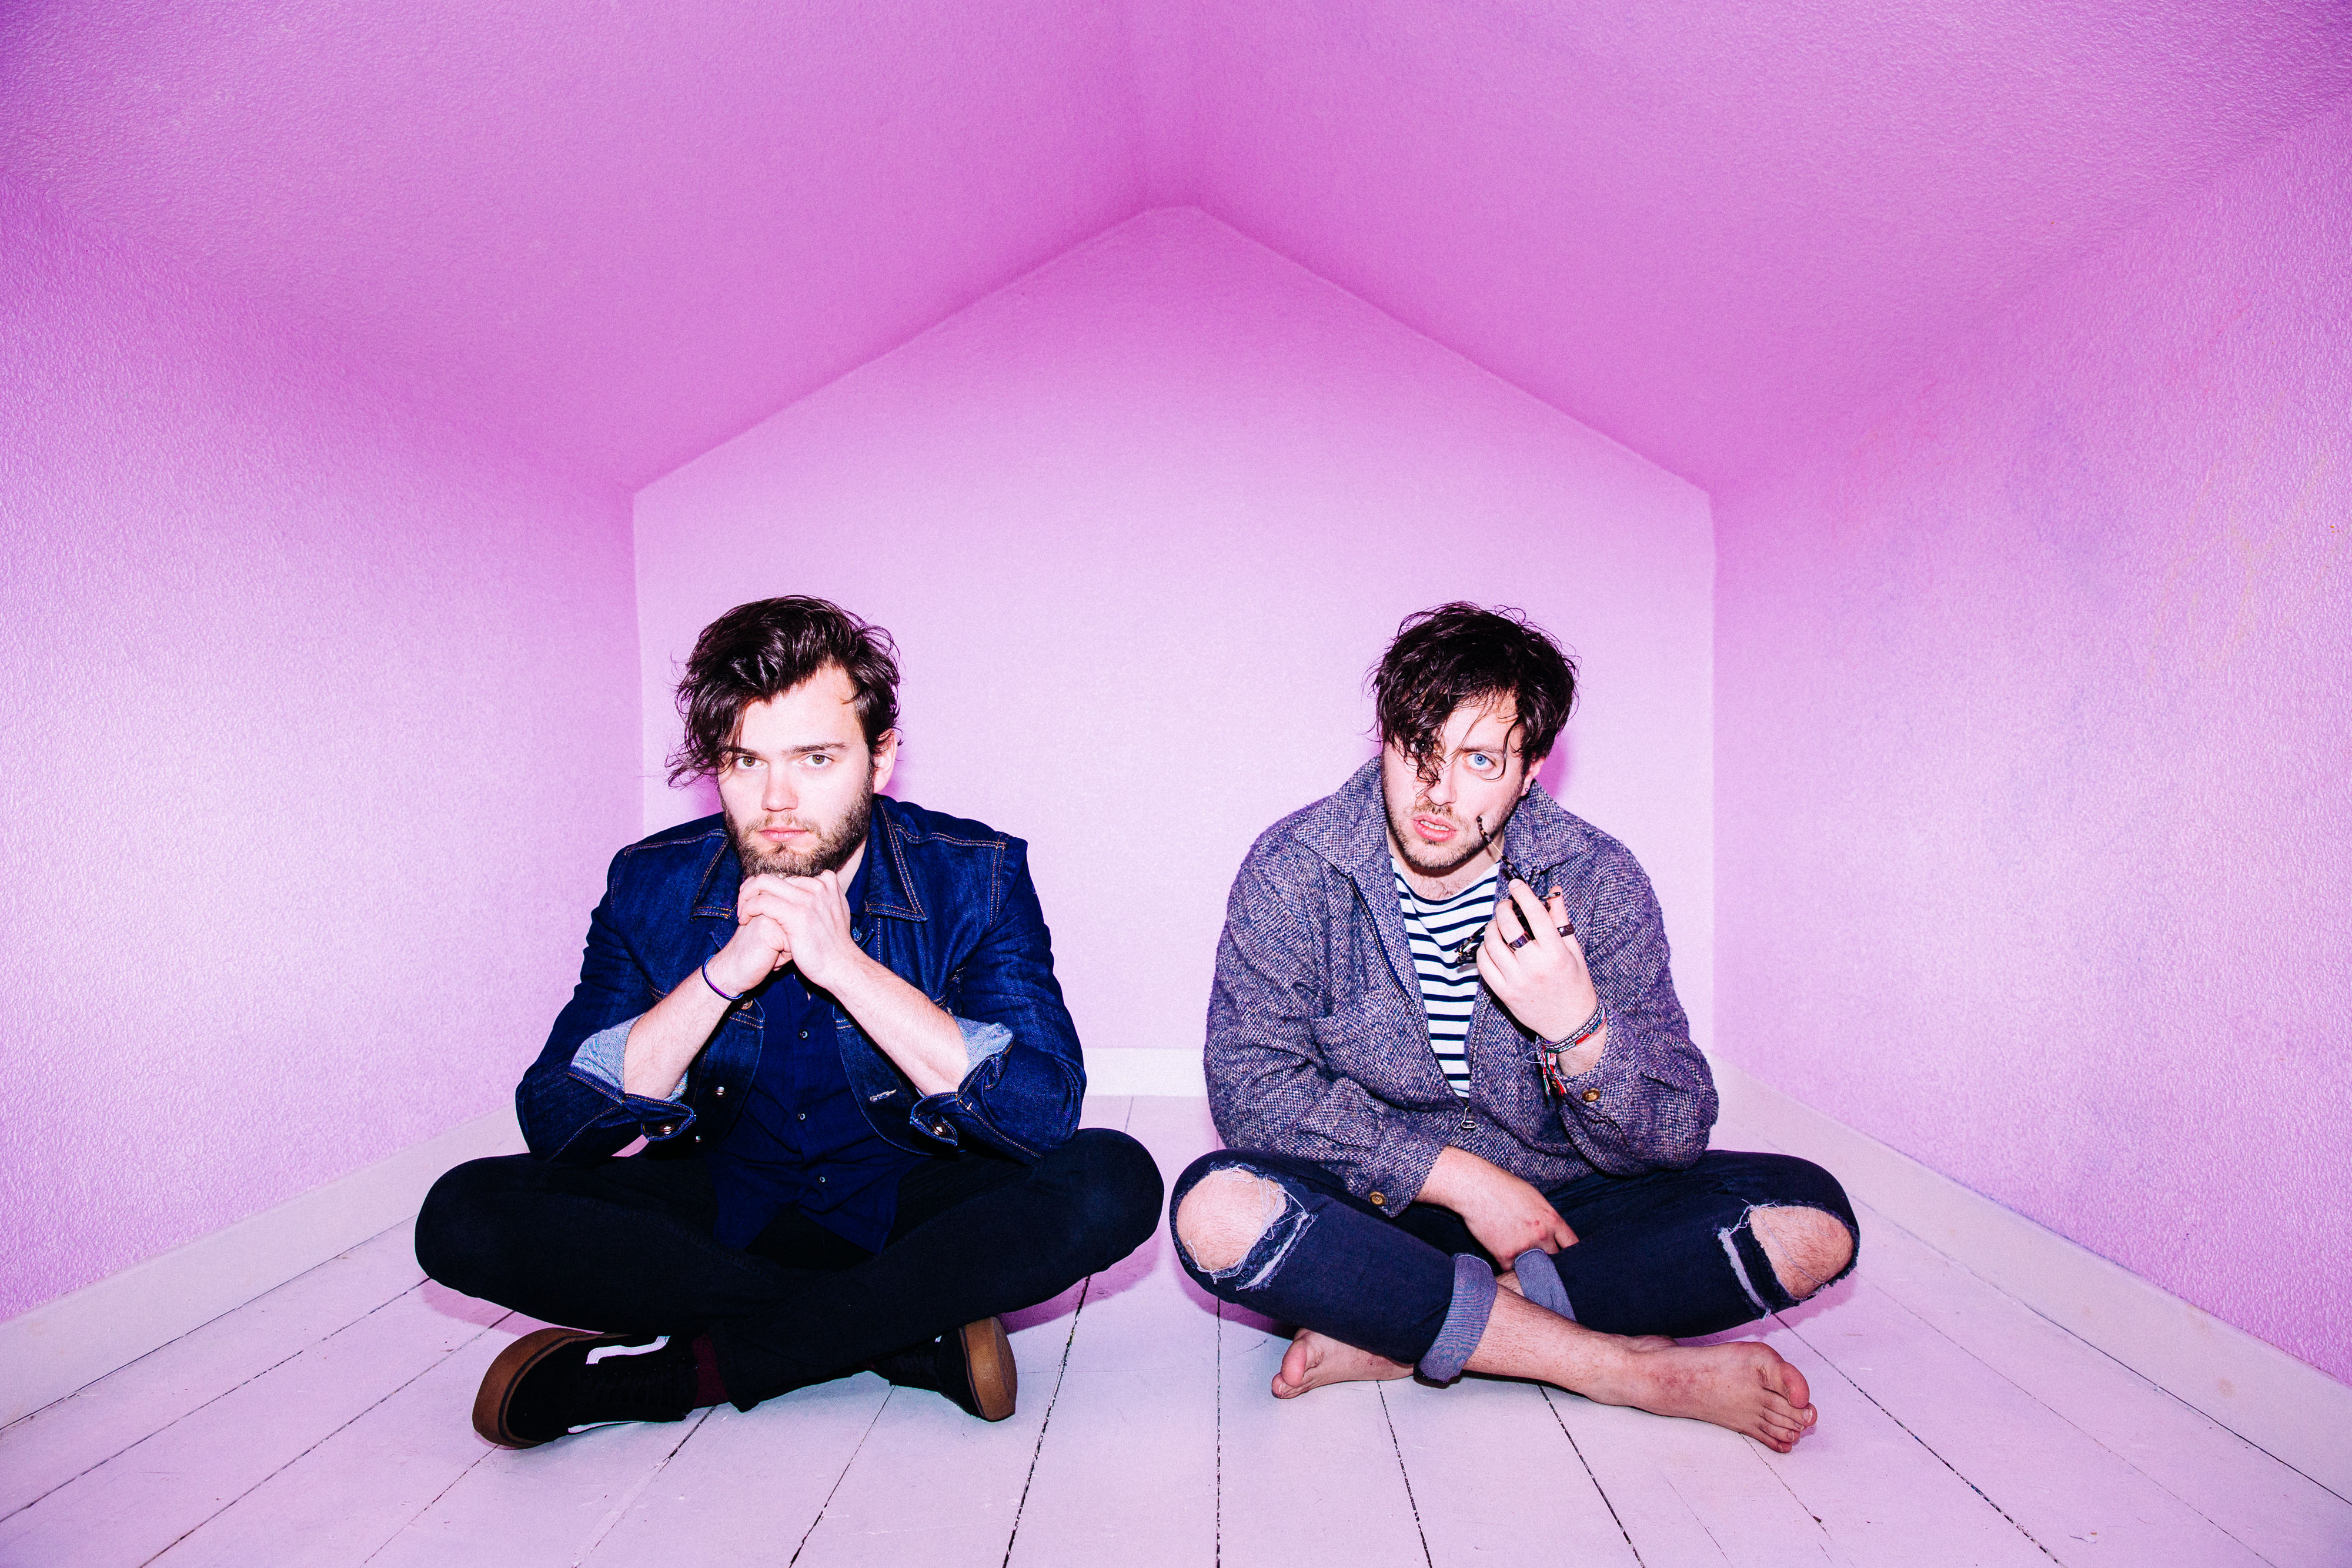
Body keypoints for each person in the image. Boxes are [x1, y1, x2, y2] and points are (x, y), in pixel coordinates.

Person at [417, 596, 1161, 1447]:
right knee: (462, 1215)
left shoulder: (976, 875)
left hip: (913, 1199)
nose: (777, 799)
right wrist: (720, 978)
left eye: (815, 758)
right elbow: (555, 1121)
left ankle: (676, 1373)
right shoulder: (649, 884)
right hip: (721, 1207)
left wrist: (845, 966)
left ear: (881, 758)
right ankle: (902, 1329)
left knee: (1113, 1180)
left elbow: (1041, 1111)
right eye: (745, 761)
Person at [1171, 603, 1856, 1453]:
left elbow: (1678, 1130)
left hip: (1567, 1212)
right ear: (1384, 739)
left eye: (1480, 761)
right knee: (1218, 1211)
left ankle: (1404, 1330)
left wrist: (1578, 1031)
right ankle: (1617, 1369)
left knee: (1813, 1221)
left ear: (1530, 771)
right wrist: (1461, 1180)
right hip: (1386, 1209)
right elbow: (1252, 1089)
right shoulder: (1295, 868)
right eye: (1417, 748)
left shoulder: (1596, 878)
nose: (1437, 793)